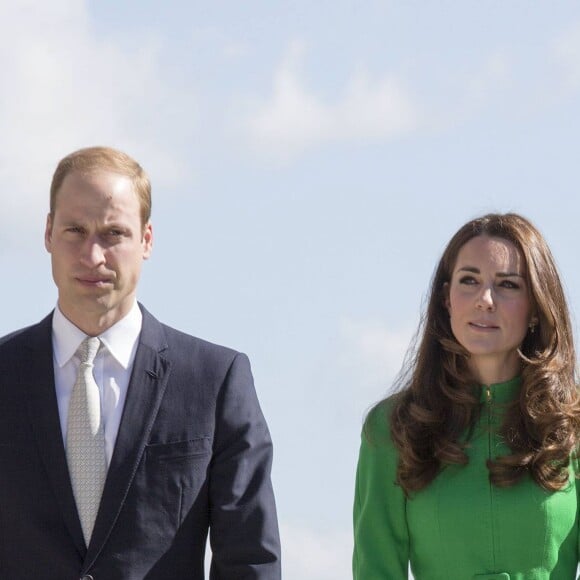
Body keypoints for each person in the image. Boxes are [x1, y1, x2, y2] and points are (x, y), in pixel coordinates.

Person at [0, 146, 281, 579]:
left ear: (146, 240)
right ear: (48, 232)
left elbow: (251, 561)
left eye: (113, 233)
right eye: (75, 230)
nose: (93, 256)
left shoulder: (214, 382)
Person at [353, 213, 580, 579]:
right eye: (469, 281)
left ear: (537, 306)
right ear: (446, 299)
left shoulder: (573, 426)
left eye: (507, 285)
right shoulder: (392, 428)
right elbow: (375, 569)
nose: (485, 300)